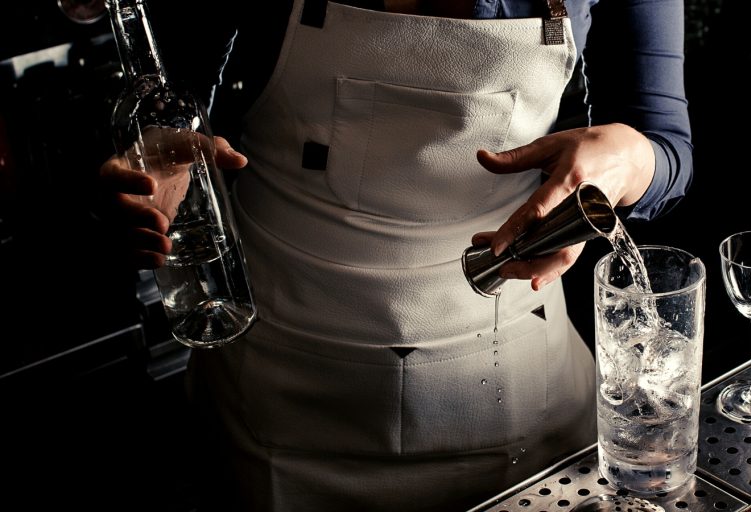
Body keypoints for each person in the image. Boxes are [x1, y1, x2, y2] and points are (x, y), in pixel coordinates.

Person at [97, 0, 693, 510]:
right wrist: (145, 175)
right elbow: (159, 105)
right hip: (274, 398)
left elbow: (668, 150)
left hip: (517, 397)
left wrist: (630, 159)